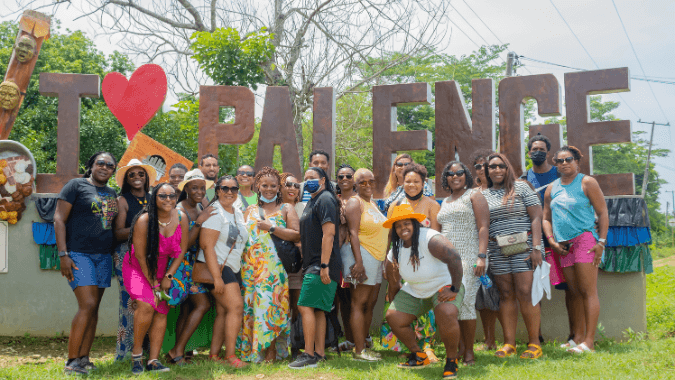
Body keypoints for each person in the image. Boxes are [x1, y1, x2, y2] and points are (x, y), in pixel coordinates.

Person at [55, 152, 119, 375]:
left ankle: (84, 358)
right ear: (91, 165)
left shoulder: (112, 193)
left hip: (103, 256)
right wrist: (63, 254)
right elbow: (59, 219)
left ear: (113, 170)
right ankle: (71, 361)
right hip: (78, 254)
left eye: (110, 165)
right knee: (87, 304)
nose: (104, 167)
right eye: (100, 163)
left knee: (94, 309)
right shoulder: (76, 186)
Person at [384, 203, 464, 380]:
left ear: (415, 223)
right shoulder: (394, 252)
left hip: (443, 284)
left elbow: (455, 258)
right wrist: (395, 301)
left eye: (407, 223)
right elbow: (393, 281)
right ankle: (419, 356)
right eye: (398, 225)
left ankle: (451, 361)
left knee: (446, 311)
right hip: (415, 289)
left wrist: (455, 288)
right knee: (393, 316)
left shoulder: (430, 238)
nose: (403, 228)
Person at [542, 146, 608, 353]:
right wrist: (552, 241)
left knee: (588, 291)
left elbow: (603, 212)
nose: (563, 164)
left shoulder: (587, 182)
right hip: (563, 246)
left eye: (568, 159)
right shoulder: (552, 188)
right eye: (559, 161)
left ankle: (589, 342)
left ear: (577, 161)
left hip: (585, 241)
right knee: (574, 292)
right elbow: (545, 218)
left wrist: (601, 242)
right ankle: (577, 337)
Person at [123, 183, 188, 375]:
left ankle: (153, 360)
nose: (168, 199)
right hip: (139, 267)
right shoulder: (144, 220)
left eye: (172, 195)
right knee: (146, 304)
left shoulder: (182, 217)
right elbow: (141, 256)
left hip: (163, 268)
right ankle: (137, 358)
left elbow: (182, 250)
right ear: (154, 198)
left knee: (161, 310)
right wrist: (153, 283)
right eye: (162, 196)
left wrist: (168, 276)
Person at [483, 152, 544, 359]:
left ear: (507, 168)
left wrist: (537, 248)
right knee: (506, 294)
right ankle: (509, 343)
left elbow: (536, 217)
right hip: (497, 250)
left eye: (501, 166)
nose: (497, 170)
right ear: (487, 171)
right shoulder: (484, 195)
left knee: (525, 292)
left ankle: (534, 343)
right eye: (492, 167)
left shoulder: (522, 187)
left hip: (524, 249)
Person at [239, 167, 301, 363]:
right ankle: (253, 351)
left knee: (270, 306)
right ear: (257, 186)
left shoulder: (286, 208)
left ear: (278, 187)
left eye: (273, 185)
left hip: (273, 269)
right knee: (251, 309)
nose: (269, 189)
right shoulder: (249, 210)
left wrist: (272, 227)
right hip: (250, 268)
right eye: (264, 185)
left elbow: (296, 234)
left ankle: (271, 351)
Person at [381, 163, 441, 362]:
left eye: (416, 181)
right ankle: (407, 345)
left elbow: (436, 236)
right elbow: (391, 235)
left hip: (426, 263)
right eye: (408, 181)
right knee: (398, 299)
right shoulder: (394, 206)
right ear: (401, 182)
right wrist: (386, 262)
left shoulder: (432, 205)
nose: (412, 184)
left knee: (425, 303)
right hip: (400, 261)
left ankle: (427, 345)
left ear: (424, 183)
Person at [522, 134, 575, 344]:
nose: (538, 152)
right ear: (529, 153)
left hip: (561, 239)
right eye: (534, 149)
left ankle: (573, 334)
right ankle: (537, 336)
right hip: (535, 242)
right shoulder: (524, 179)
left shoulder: (559, 173)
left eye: (542, 149)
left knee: (569, 287)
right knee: (534, 289)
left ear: (548, 153)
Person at [288, 167, 342, 369]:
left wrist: (324, 265)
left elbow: (329, 234)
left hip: (322, 264)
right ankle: (319, 353)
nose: (309, 181)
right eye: (306, 178)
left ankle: (308, 354)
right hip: (315, 263)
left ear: (323, 180)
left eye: (313, 178)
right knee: (319, 309)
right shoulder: (313, 200)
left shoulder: (326, 198)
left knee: (304, 306)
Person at [437, 160, 489, 365]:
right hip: (448, 260)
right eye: (450, 173)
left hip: (469, 256)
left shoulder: (474, 195)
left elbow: (484, 227)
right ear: (446, 178)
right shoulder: (446, 200)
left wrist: (481, 256)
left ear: (466, 175)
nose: (455, 176)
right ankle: (458, 348)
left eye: (459, 173)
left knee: (466, 302)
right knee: (452, 303)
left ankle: (469, 352)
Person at [165, 169, 216, 365]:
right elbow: (183, 245)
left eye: (202, 188)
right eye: (194, 187)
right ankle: (175, 350)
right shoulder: (180, 210)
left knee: (188, 309)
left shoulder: (200, 205)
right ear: (186, 188)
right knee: (202, 304)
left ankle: (181, 351)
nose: (199, 191)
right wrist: (199, 223)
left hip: (195, 264)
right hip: (180, 264)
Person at [198, 175, 249, 368]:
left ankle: (213, 354)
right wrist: (217, 278)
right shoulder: (214, 213)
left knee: (223, 311)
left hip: (233, 267)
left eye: (234, 189)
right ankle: (230, 356)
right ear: (217, 190)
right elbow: (207, 246)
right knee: (236, 308)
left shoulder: (236, 211)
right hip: (217, 268)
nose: (230, 192)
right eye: (225, 188)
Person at [342, 168, 389, 361]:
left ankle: (364, 345)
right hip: (364, 255)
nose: (368, 185)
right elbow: (353, 233)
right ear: (355, 184)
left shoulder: (373, 204)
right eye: (363, 182)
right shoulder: (355, 202)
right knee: (358, 303)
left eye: (371, 181)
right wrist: (359, 262)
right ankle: (359, 351)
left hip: (377, 259)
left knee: (370, 304)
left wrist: (385, 260)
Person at [113, 159, 157, 361]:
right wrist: (141, 229)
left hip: (150, 255)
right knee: (130, 303)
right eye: (132, 174)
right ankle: (124, 353)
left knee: (149, 302)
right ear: (126, 179)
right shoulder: (122, 200)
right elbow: (118, 232)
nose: (137, 178)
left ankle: (145, 351)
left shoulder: (153, 198)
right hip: (126, 254)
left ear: (147, 178)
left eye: (141, 174)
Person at [470, 149, 502, 351]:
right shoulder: (472, 193)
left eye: (485, 165)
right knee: (481, 296)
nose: (481, 169)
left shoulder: (502, 191)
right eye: (477, 166)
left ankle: (499, 339)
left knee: (497, 294)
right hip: (477, 250)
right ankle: (488, 340)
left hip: (499, 250)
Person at [279, 171, 305, 358]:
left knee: (297, 305)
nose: (292, 188)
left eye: (296, 185)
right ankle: (279, 346)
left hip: (299, 263)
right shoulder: (275, 207)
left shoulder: (306, 207)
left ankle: (295, 346)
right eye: (288, 184)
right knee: (280, 304)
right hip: (277, 264)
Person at [334, 163, 357, 352]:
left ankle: (362, 338)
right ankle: (349, 340)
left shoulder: (361, 200)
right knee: (343, 299)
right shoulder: (333, 200)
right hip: (338, 254)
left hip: (357, 254)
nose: (344, 180)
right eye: (340, 177)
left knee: (358, 299)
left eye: (348, 176)